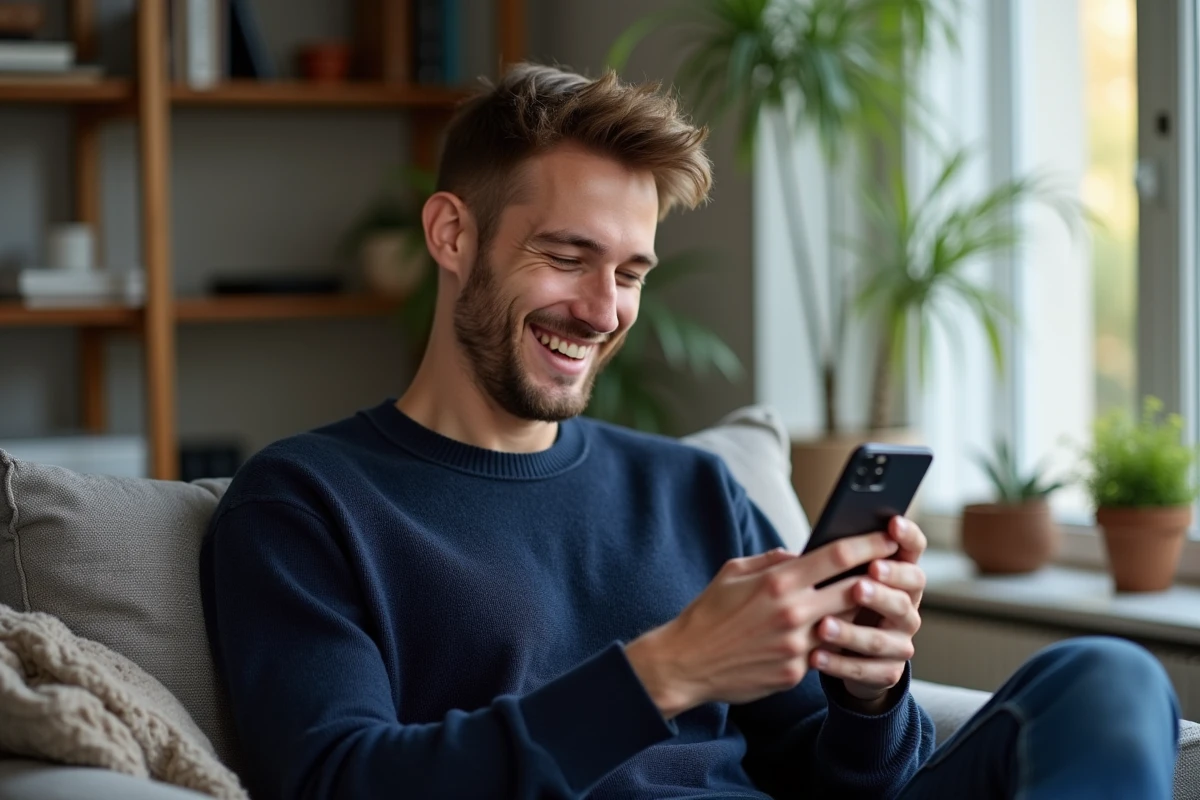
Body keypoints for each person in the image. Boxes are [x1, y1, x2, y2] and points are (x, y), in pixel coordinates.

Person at [199, 64, 1181, 800]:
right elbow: (335, 780)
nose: (600, 309)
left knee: (1108, 678)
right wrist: (668, 670)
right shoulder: (306, 500)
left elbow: (847, 784)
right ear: (453, 235)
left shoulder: (691, 490)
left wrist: (868, 693)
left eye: (629, 271)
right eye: (566, 256)